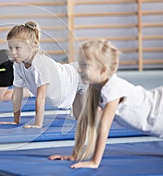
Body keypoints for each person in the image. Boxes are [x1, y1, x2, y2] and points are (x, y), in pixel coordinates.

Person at [48, 38, 163, 168]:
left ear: (102, 70)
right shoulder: (96, 88)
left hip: (158, 110)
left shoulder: (112, 88)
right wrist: (75, 155)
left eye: (85, 65)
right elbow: (87, 122)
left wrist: (94, 162)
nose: (79, 69)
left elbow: (104, 127)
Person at [0, 21, 86, 128]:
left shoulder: (40, 64)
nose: (13, 52)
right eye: (10, 48)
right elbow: (17, 94)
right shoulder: (17, 65)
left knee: (91, 122)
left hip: (80, 76)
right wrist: (16, 120)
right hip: (70, 87)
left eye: (17, 48)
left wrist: (37, 124)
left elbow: (41, 97)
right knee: (81, 121)